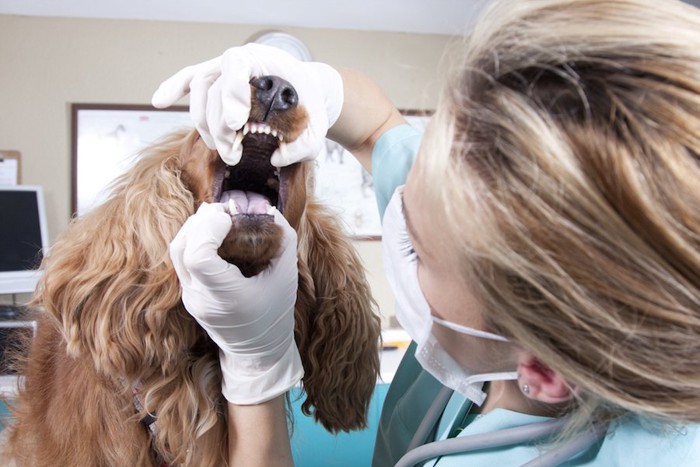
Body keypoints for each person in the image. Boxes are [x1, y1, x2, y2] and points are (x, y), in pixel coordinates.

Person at [152, 0, 700, 464]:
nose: (398, 215)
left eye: (415, 246)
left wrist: (256, 371)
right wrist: (313, 86)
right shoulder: (497, 207)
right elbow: (378, 128)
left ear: (544, 370)